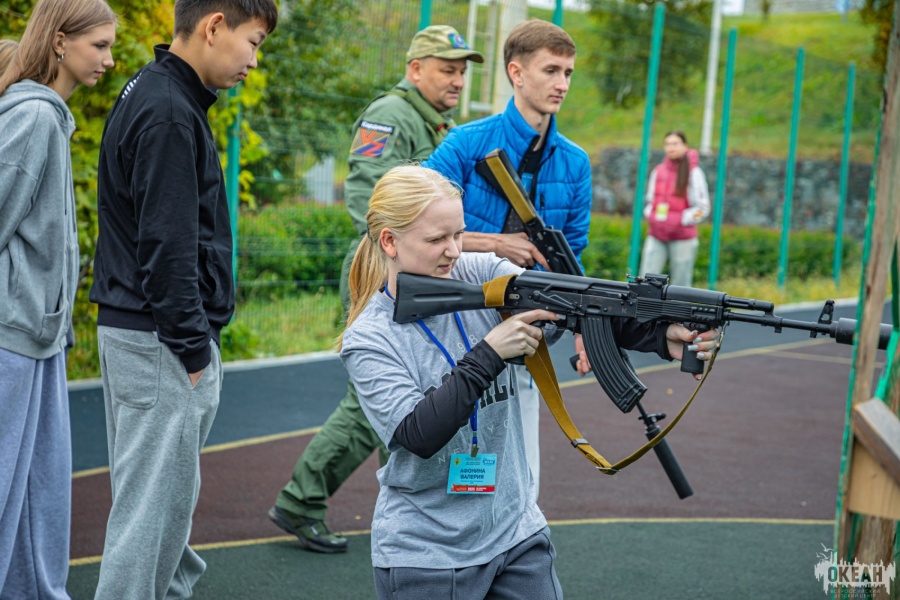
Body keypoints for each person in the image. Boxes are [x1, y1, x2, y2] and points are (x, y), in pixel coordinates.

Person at [339, 164, 719, 599]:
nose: (453, 251)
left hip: (515, 532)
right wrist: (490, 352)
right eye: (436, 239)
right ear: (390, 241)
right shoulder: (370, 338)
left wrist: (659, 337)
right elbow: (417, 434)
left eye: (458, 234)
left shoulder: (478, 271)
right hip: (429, 555)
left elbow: (572, 306)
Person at [268, 25, 484, 554]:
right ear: (415, 69)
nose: (458, 80)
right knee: (386, 398)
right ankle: (361, 509)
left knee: (407, 393)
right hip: (384, 267)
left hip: (420, 270)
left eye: (462, 71)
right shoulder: (390, 115)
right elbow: (367, 199)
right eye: (447, 69)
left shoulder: (439, 124)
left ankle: (315, 501)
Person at [88, 1, 277, 598]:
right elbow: (166, 245)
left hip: (145, 334)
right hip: (160, 342)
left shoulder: (156, 92)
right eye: (254, 41)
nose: (254, 60)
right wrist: (194, 350)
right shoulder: (169, 110)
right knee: (148, 523)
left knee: (162, 515)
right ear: (215, 25)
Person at [423, 19, 590, 495]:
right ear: (516, 73)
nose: (562, 84)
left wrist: (586, 326)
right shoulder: (464, 144)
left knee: (523, 477)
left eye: (568, 73)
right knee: (441, 468)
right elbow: (417, 227)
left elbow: (572, 255)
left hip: (528, 330)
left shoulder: (575, 162)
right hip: (454, 325)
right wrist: (495, 244)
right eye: (551, 70)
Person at [0, 1, 116, 597]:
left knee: (36, 489)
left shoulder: (49, 116)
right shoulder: (34, 117)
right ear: (60, 42)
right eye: (99, 45)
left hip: (37, 335)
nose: (109, 59)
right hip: (12, 333)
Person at [639, 130, 710, 287]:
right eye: (667, 144)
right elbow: (650, 200)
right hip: (656, 233)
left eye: (675, 143)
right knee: (647, 280)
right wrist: (652, 215)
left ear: (685, 146)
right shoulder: (658, 171)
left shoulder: (694, 172)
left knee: (680, 284)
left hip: (682, 237)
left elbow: (703, 207)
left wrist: (681, 219)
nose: (671, 147)